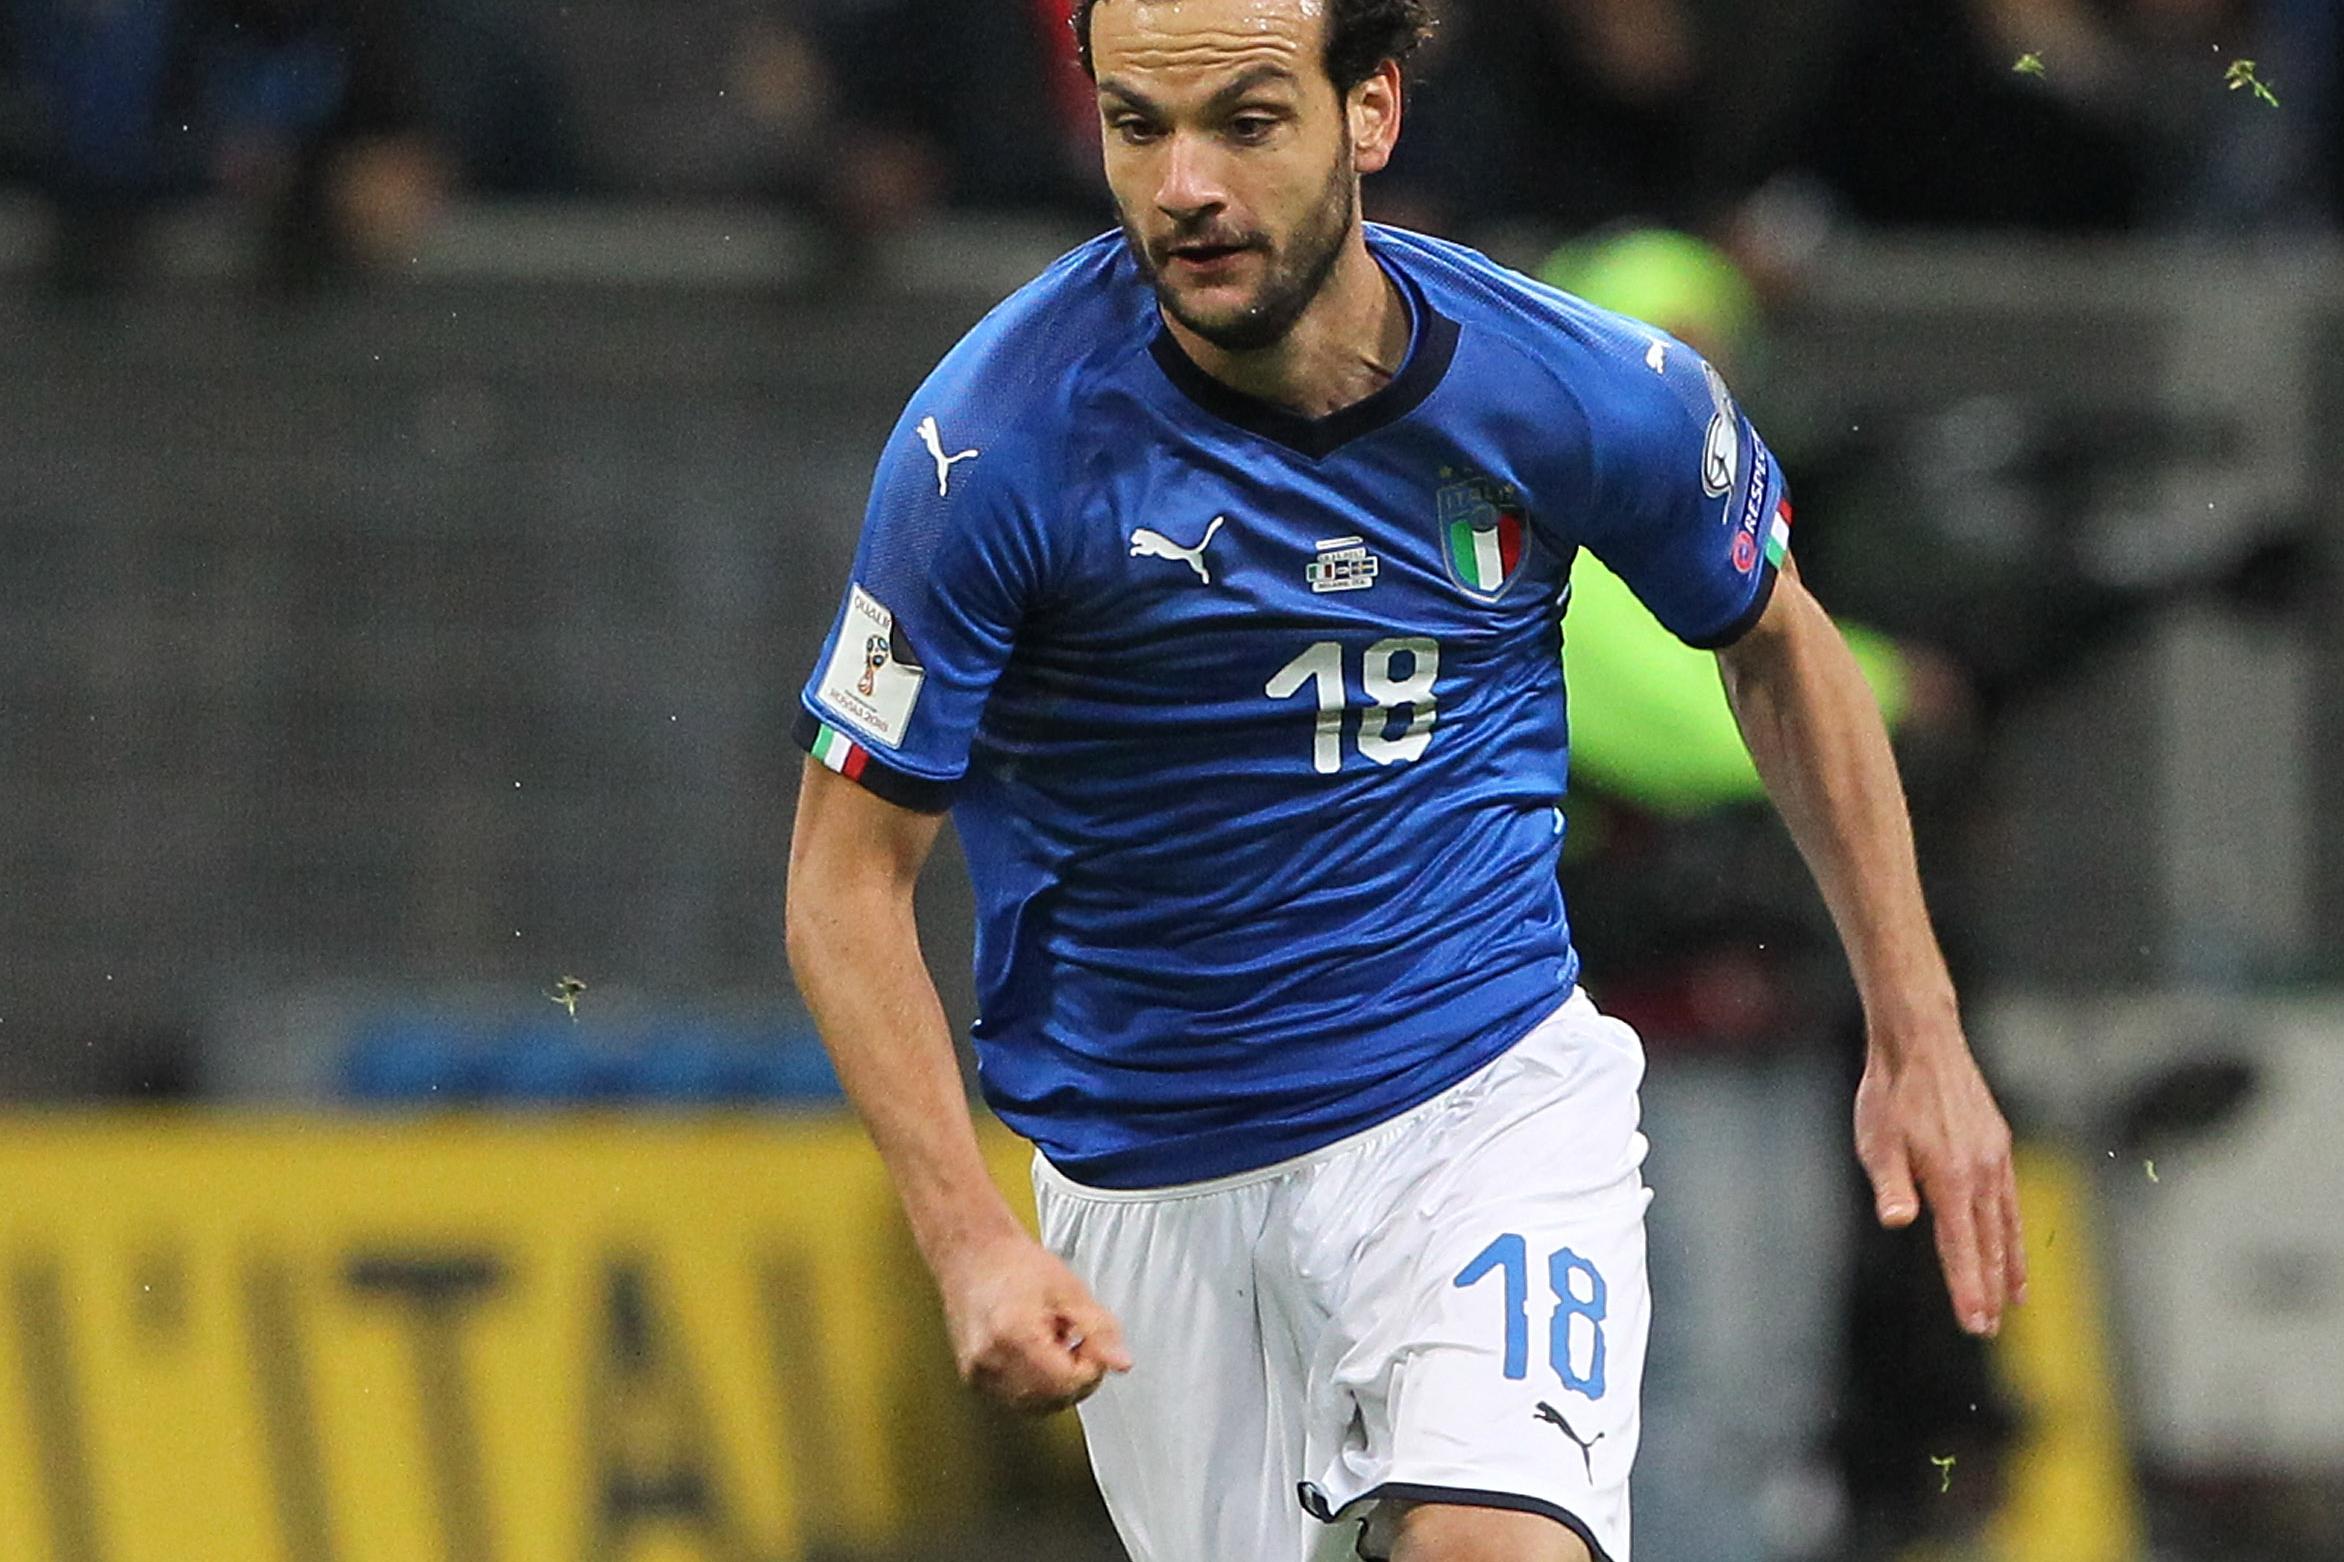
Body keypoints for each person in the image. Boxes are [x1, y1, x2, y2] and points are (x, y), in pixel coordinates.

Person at [782, 3, 2025, 1559]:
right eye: (1137, 126)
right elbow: (844, 878)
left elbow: (1777, 641)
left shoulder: (1571, 386)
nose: (1183, 187)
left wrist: (1918, 1029)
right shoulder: (991, 452)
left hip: (1480, 1106)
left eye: (1245, 121)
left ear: (1370, 113)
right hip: (1151, 1182)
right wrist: (969, 1238)